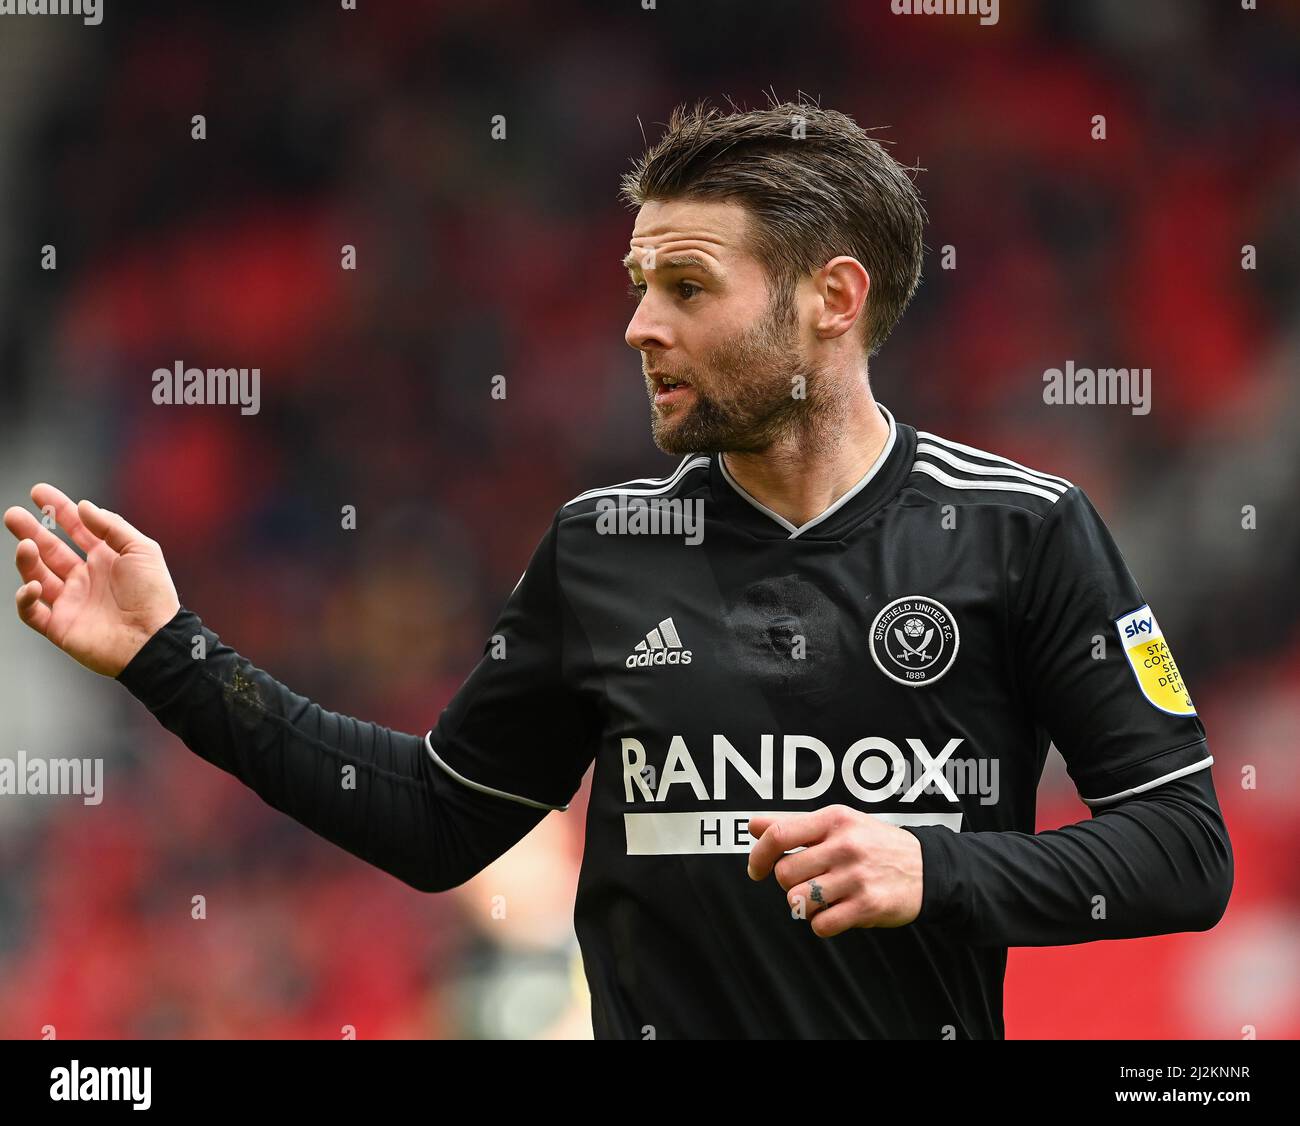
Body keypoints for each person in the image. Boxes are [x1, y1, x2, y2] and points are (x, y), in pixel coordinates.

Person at [4, 100, 1232, 1039]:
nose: (640, 324)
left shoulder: (1024, 530)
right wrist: (174, 656)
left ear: (832, 300)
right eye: (639, 284)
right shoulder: (605, 544)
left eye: (687, 286)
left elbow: (1184, 849)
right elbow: (443, 820)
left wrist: (938, 864)